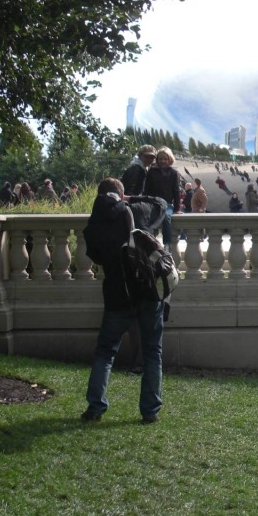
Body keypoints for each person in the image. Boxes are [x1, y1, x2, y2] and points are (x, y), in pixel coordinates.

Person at [80, 177, 167, 424]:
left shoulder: (95, 222)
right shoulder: (135, 210)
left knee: (106, 351)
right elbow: (161, 204)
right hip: (148, 291)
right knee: (152, 351)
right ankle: (150, 410)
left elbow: (95, 256)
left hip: (118, 293)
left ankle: (95, 406)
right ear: (122, 194)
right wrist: (132, 199)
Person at [143, 147, 183, 245]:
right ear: (157, 160)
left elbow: (176, 191)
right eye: (160, 159)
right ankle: (151, 243)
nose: (163, 161)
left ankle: (167, 244)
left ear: (170, 159)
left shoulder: (174, 173)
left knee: (166, 218)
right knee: (149, 221)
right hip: (153, 204)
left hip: (167, 205)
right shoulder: (152, 172)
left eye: (165, 159)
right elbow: (147, 190)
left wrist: (177, 209)